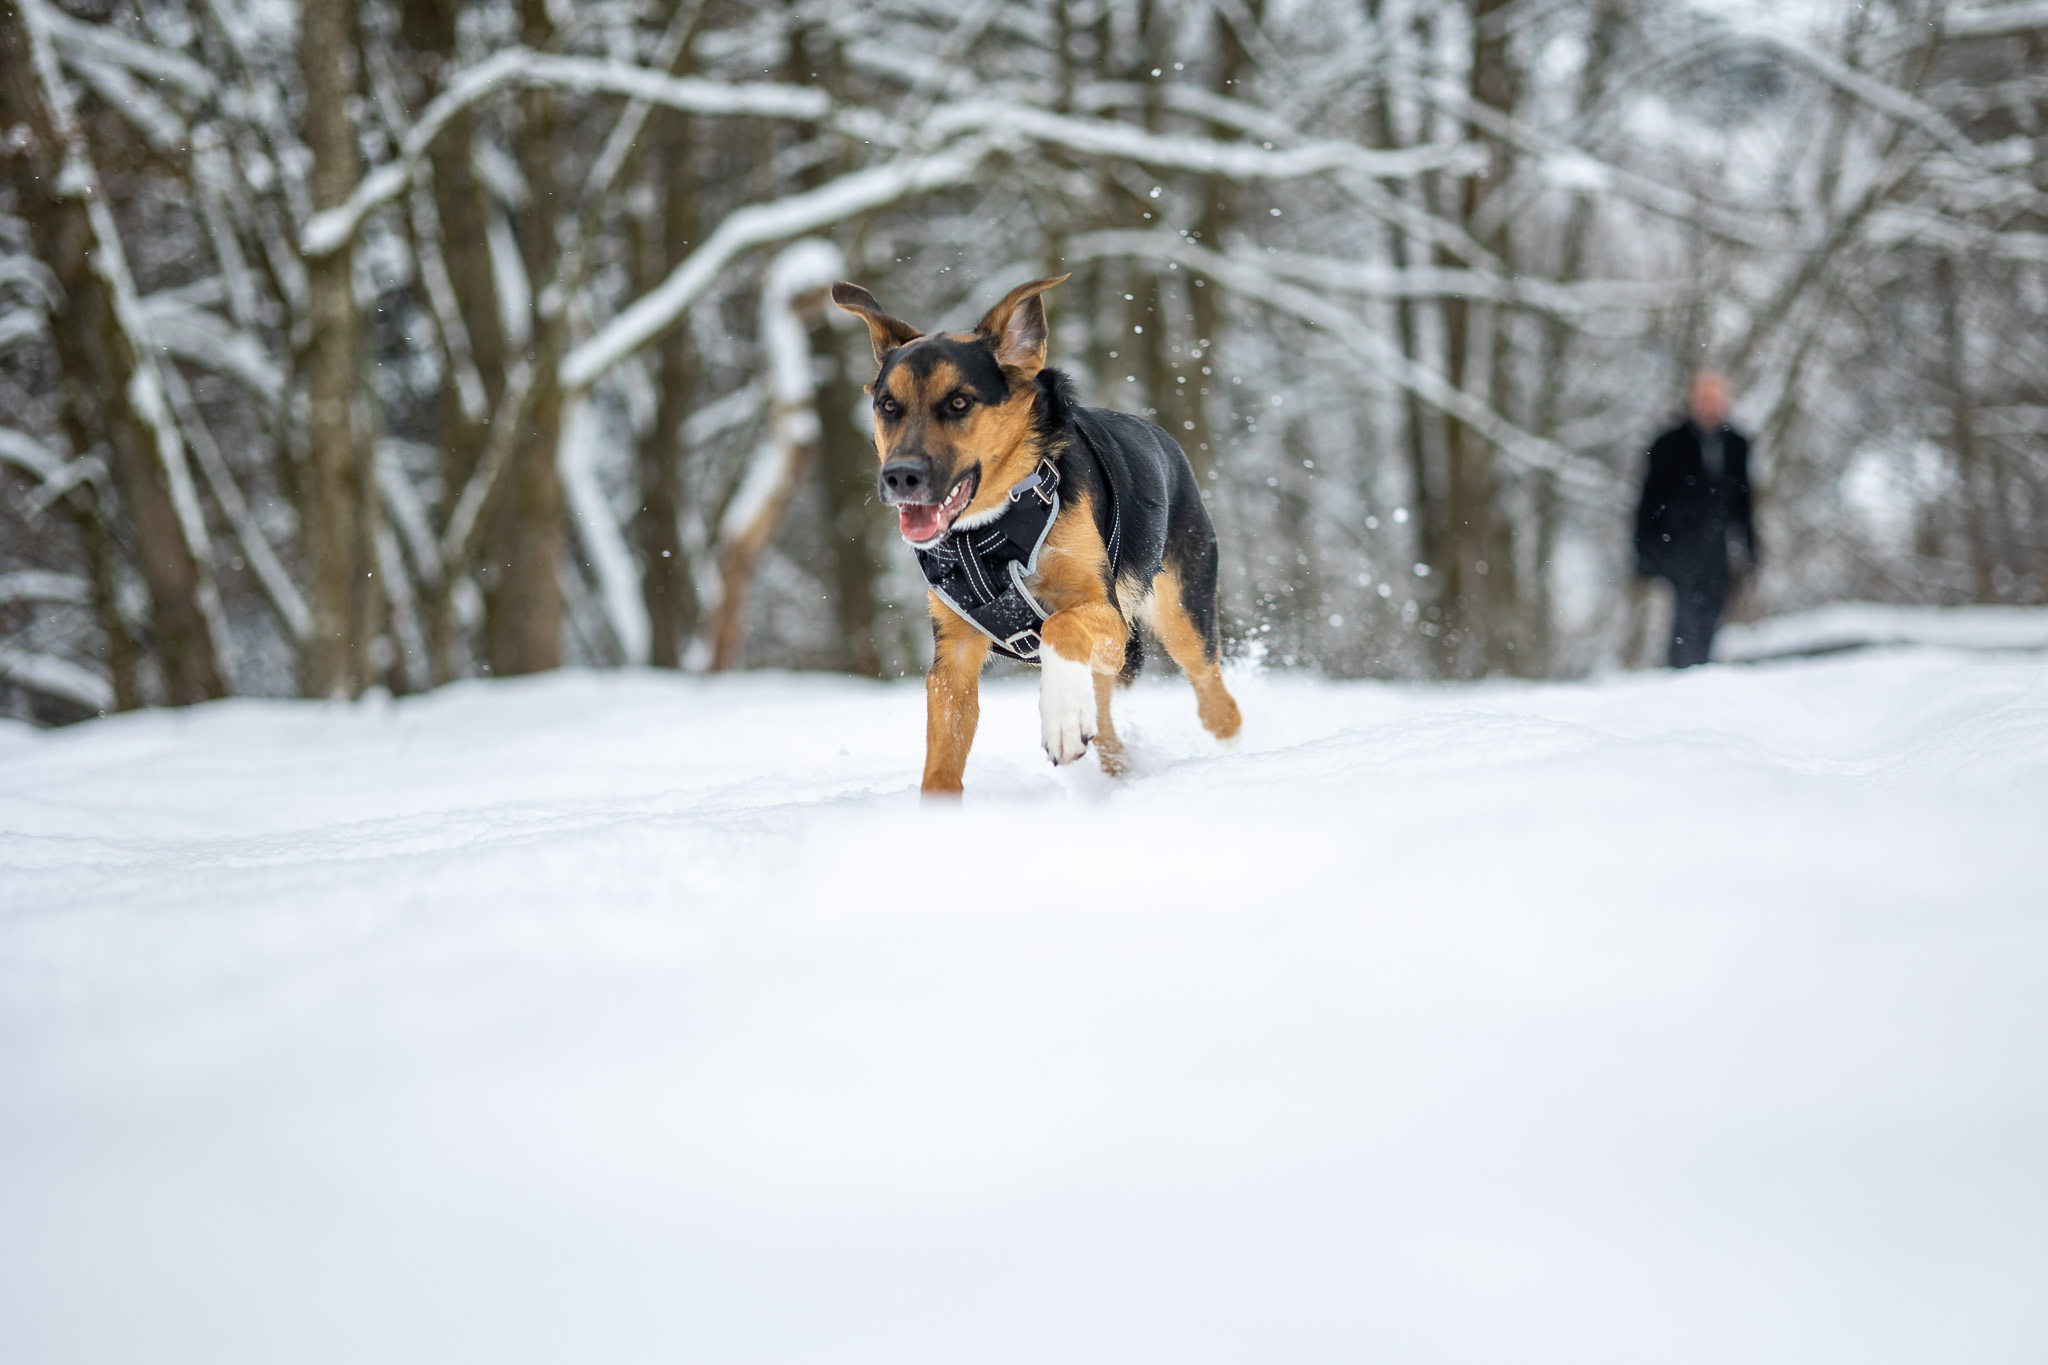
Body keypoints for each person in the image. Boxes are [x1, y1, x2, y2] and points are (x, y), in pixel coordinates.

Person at [1633, 370, 1758, 668]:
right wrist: (1644, 550)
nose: (1710, 405)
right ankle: (1680, 680)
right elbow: (1649, 501)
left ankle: (1703, 677)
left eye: (1716, 398)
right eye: (1704, 398)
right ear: (1692, 400)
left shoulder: (1737, 444)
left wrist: (1751, 549)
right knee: (1684, 621)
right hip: (1676, 547)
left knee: (1712, 618)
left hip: (1718, 550)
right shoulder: (1667, 443)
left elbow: (1744, 501)